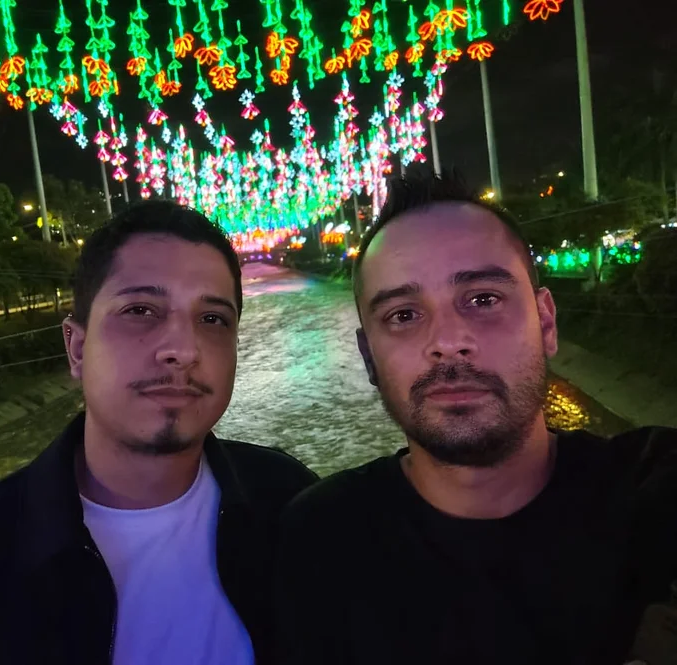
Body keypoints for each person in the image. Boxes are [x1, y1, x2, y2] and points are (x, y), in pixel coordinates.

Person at [0, 200, 317, 665]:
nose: (183, 350)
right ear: (78, 348)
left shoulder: (293, 509)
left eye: (213, 319)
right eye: (141, 310)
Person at [277, 171, 677, 665]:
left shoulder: (654, 491)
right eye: (403, 315)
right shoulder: (323, 543)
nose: (448, 341)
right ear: (368, 358)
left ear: (546, 323)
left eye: (483, 299)